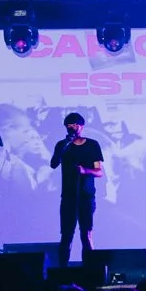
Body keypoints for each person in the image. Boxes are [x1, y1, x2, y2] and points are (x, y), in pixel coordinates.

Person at [48, 113, 104, 266]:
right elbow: (53, 164)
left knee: (86, 235)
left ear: (81, 126)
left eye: (75, 124)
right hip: (68, 197)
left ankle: (91, 269)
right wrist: (65, 145)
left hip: (86, 196)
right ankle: (62, 271)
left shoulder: (92, 145)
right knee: (66, 235)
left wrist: (85, 171)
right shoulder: (62, 145)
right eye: (69, 125)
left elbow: (99, 172)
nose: (71, 127)